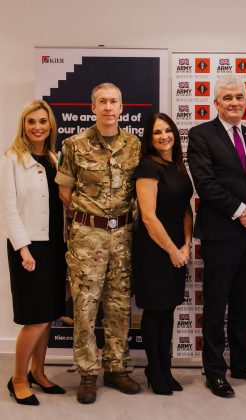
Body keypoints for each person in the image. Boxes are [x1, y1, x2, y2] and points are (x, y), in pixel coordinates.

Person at [55, 82, 142, 404]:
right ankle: (88, 373)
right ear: (92, 107)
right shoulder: (74, 144)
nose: (108, 107)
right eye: (102, 102)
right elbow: (65, 192)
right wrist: (91, 219)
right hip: (87, 238)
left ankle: (116, 368)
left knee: (119, 306)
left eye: (113, 101)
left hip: (123, 236)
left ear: (121, 107)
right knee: (85, 308)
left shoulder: (134, 145)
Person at [187, 75, 246, 398]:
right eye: (228, 98)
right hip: (221, 233)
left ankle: (242, 363)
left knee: (244, 303)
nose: (234, 102)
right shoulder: (201, 135)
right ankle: (214, 371)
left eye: (239, 97)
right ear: (216, 103)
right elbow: (205, 184)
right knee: (216, 304)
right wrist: (242, 211)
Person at [0, 100, 66, 405]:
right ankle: (18, 378)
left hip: (54, 245)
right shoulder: (12, 159)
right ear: (23, 126)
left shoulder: (54, 158)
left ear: (50, 125)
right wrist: (23, 250)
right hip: (29, 246)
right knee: (36, 318)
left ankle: (38, 372)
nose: (37, 127)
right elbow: (9, 209)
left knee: (49, 315)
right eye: (31, 122)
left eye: (42, 121)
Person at [133, 113, 193, 395]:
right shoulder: (148, 166)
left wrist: (187, 244)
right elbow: (148, 217)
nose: (164, 136)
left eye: (168, 130)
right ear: (149, 138)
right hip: (154, 249)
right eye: (157, 132)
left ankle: (165, 369)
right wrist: (171, 250)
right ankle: (154, 370)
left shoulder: (178, 165)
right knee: (155, 310)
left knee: (168, 309)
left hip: (177, 248)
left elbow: (186, 209)